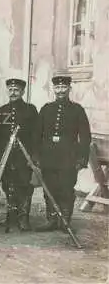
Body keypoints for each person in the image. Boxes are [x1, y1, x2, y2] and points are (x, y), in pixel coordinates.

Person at [35, 75, 91, 232]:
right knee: (49, 188)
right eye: (57, 88)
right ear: (54, 89)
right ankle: (52, 219)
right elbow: (37, 135)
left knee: (66, 188)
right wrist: (36, 157)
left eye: (63, 87)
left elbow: (85, 137)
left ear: (69, 89)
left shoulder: (77, 110)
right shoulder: (46, 109)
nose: (60, 90)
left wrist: (81, 159)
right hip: (48, 157)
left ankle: (65, 221)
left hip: (68, 157)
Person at [0, 78, 38, 231]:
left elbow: (36, 134)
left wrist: (33, 156)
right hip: (7, 155)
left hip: (23, 155)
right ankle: (11, 216)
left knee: (25, 185)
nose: (13, 93)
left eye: (16, 90)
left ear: (22, 92)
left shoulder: (30, 109)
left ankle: (23, 217)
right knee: (8, 185)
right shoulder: (2, 110)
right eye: (11, 90)